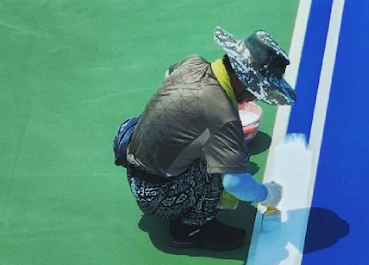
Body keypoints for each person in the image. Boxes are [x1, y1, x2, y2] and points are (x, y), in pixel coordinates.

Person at [123, 27, 295, 251]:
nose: (255, 98)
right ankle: (190, 229)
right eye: (256, 91)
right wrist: (268, 195)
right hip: (156, 198)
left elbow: (169, 76)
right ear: (244, 82)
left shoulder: (193, 63)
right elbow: (235, 183)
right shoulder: (222, 116)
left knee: (222, 148)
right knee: (232, 160)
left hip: (136, 173)